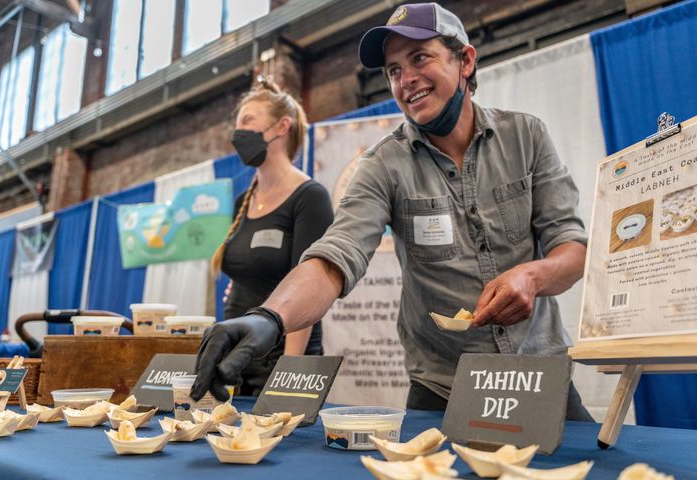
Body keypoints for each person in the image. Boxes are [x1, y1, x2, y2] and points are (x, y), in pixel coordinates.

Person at [193, 3, 592, 421]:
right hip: (443, 389)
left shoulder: (525, 136)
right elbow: (336, 255)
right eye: (394, 70)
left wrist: (531, 276)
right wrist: (271, 319)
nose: (406, 80)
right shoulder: (384, 164)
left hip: (539, 376)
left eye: (420, 58)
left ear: (466, 61)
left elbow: (572, 248)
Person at [209, 77, 334, 395]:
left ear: (281, 127)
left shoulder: (310, 197)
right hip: (237, 359)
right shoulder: (244, 201)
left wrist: (287, 375)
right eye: (237, 124)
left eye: (248, 121)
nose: (239, 132)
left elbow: (309, 285)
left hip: (283, 360)